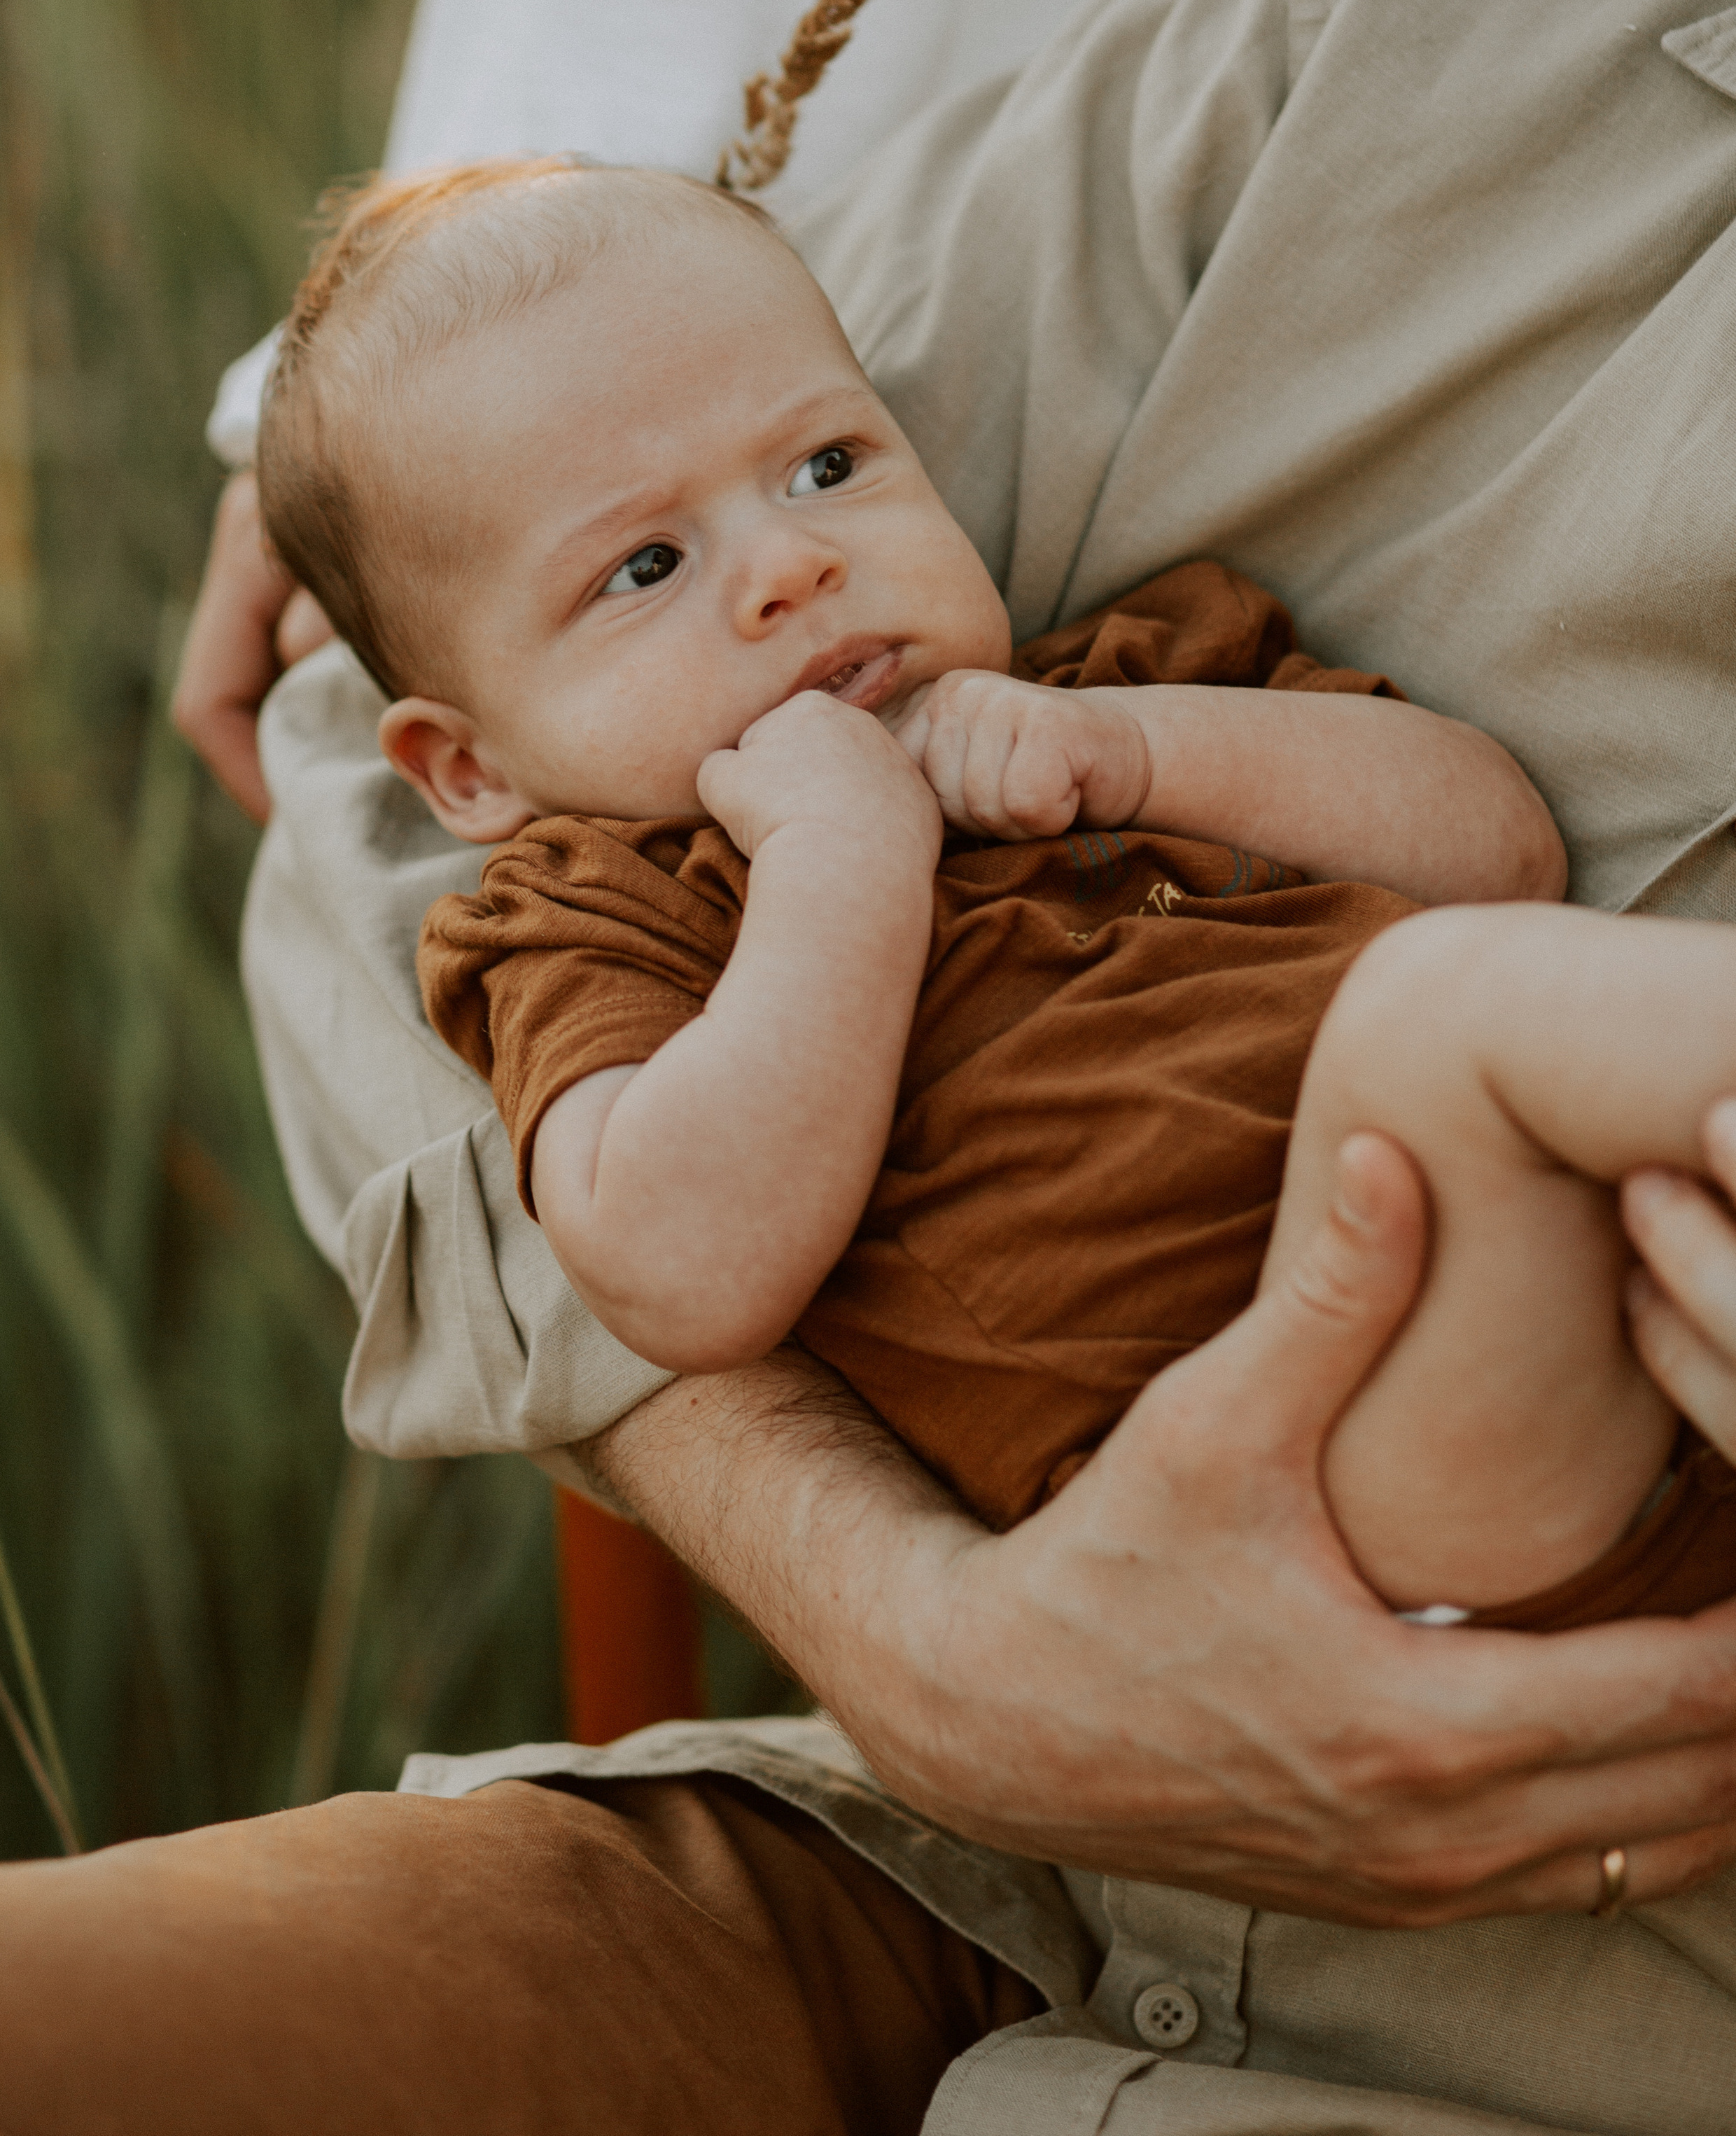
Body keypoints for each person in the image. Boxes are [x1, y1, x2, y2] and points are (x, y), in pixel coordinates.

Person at [251, 146, 1736, 1638]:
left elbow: (1500, 853)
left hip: (1602, 1324)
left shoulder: (1117, 683)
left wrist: (1129, 749)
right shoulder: (596, 909)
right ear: (464, 769)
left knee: (1490, 1021)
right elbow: (683, 1274)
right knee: (1446, 1022)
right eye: (643, 565)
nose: (791, 564)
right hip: (1301, 1494)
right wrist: (840, 863)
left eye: (826, 467)